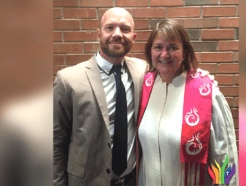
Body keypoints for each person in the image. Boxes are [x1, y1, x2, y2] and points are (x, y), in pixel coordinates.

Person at [53, 8, 213, 186]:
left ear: (134, 37)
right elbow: (55, 142)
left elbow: (171, 71)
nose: (117, 34)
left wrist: (196, 77)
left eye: (125, 29)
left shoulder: (143, 71)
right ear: (98, 33)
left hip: (133, 180)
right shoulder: (68, 79)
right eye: (110, 28)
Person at [136, 19, 239, 186]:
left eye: (173, 47)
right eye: (158, 47)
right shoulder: (144, 87)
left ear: (184, 53)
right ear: (150, 52)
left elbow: (225, 158)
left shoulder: (207, 94)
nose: (164, 54)